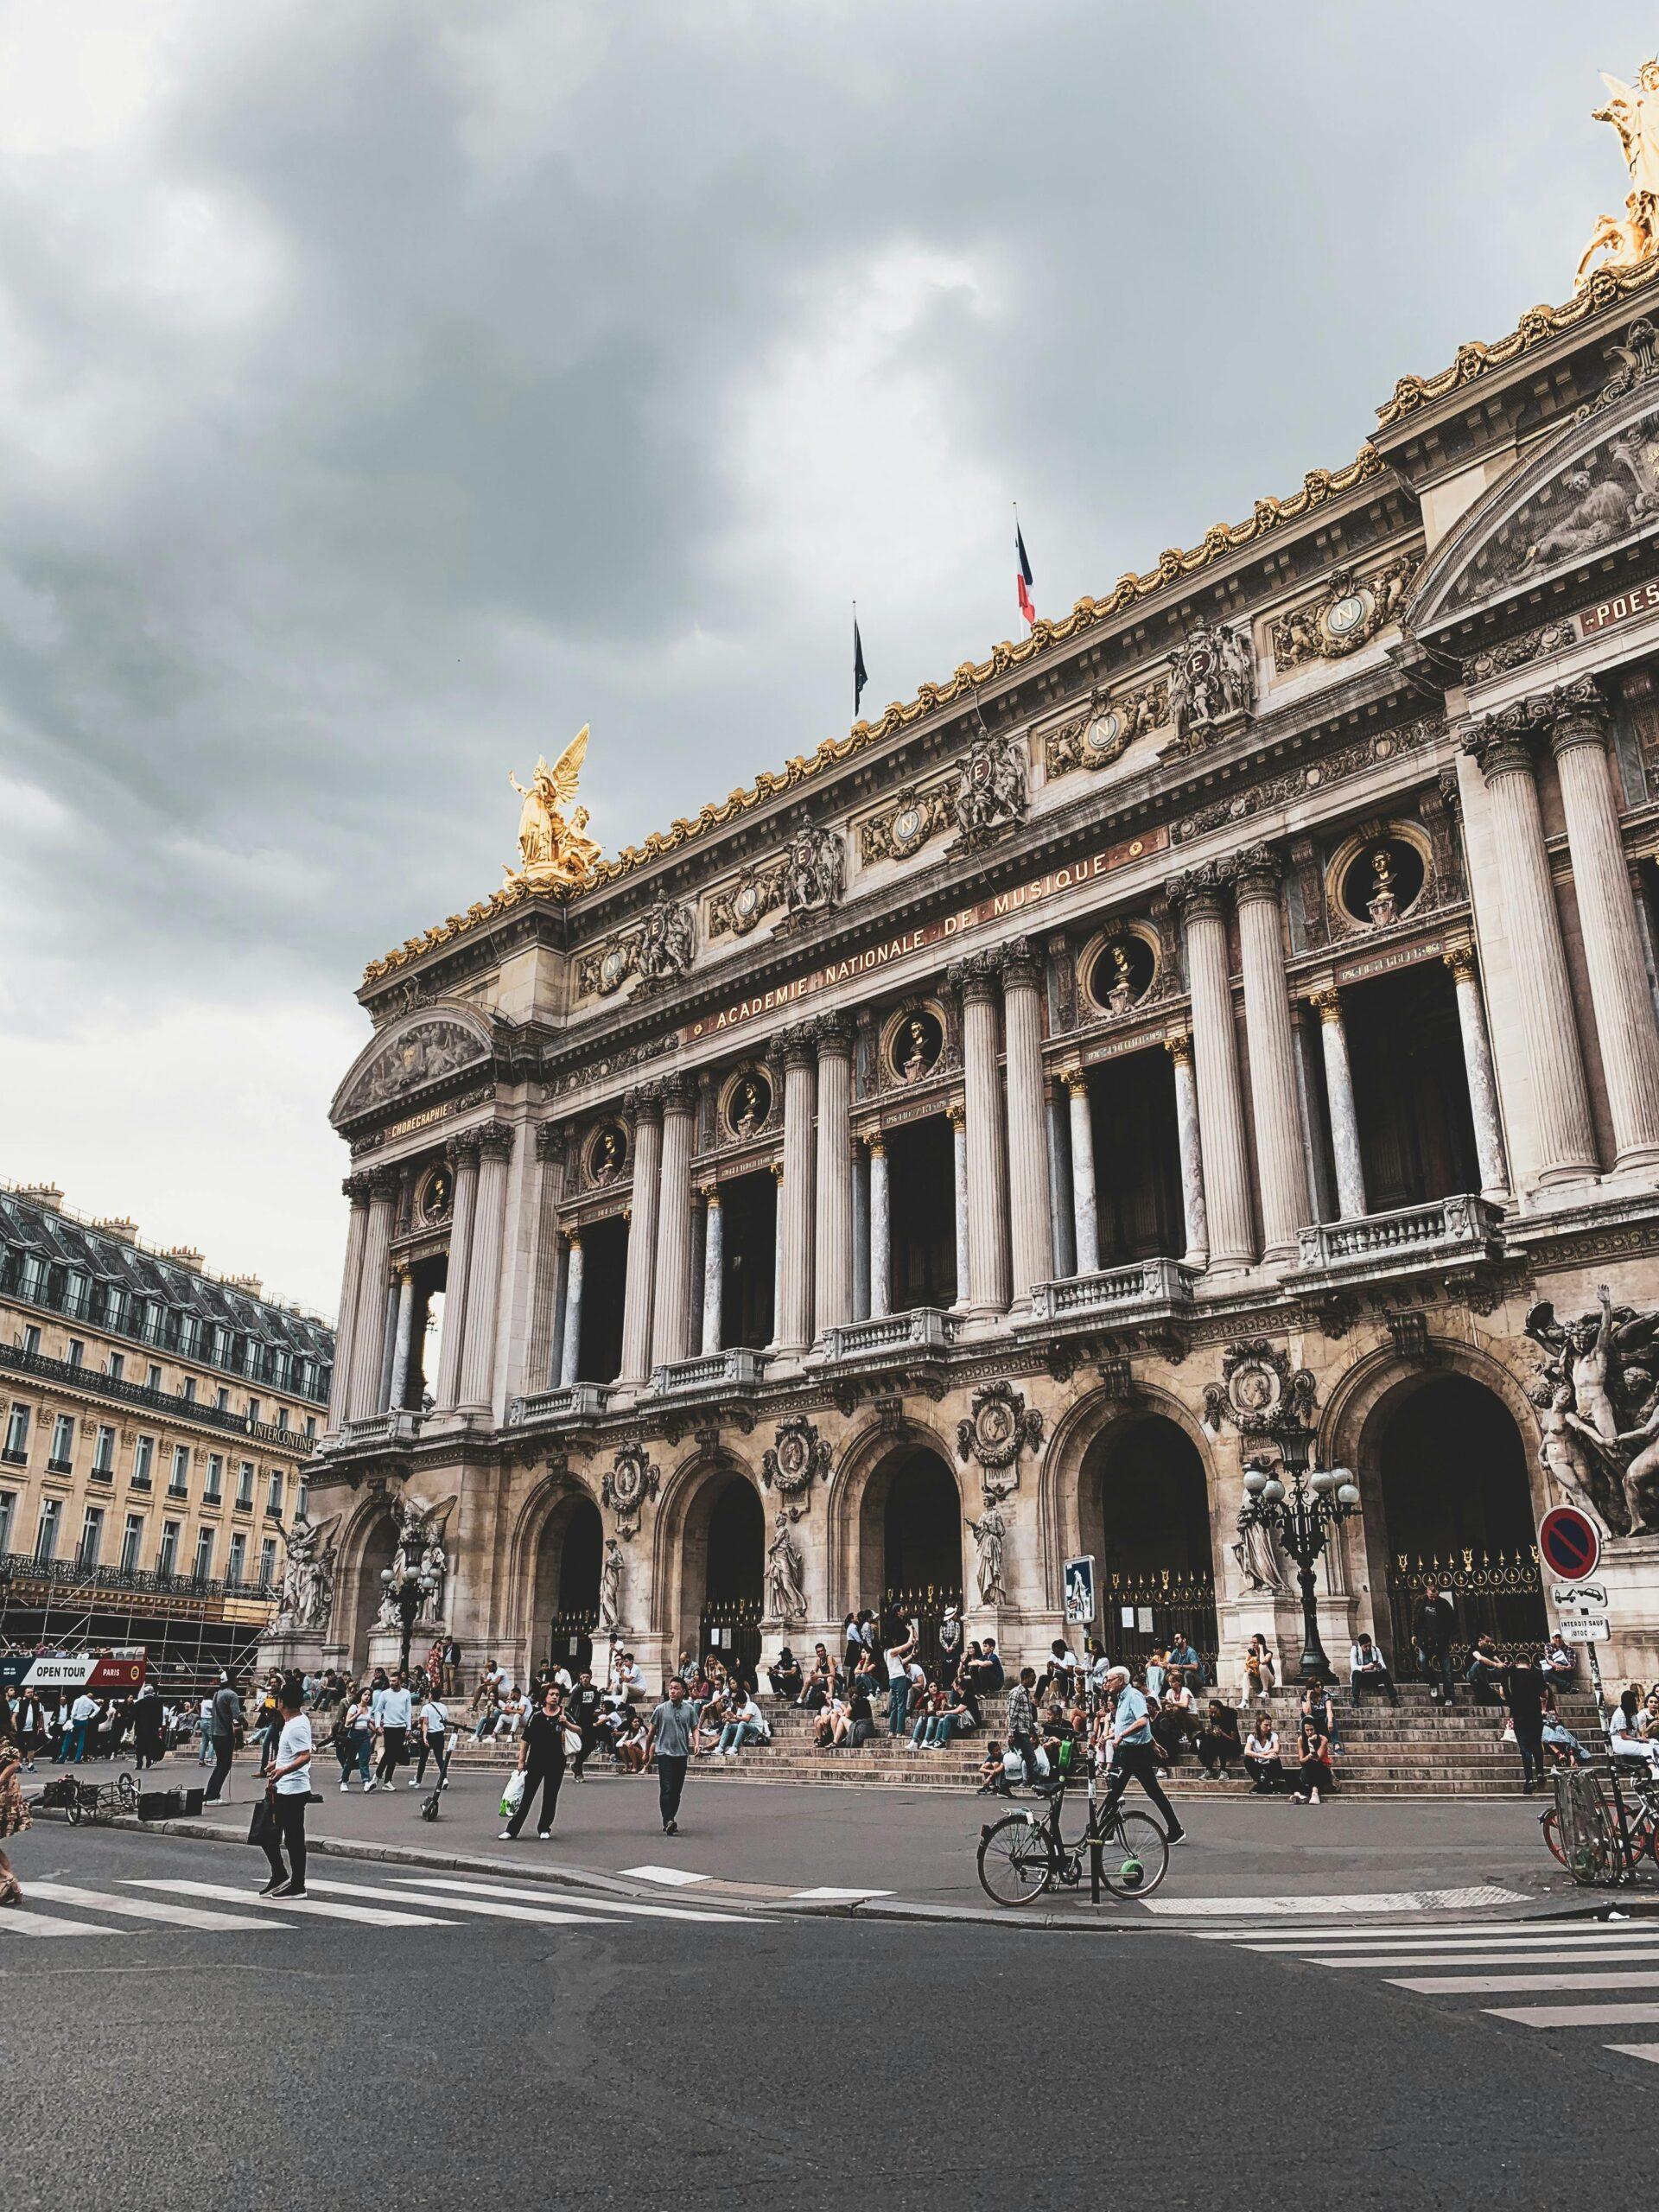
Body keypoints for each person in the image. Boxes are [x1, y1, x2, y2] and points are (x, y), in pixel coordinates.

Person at [1096, 1665, 1185, 1844]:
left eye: (1110, 1680)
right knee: (1116, 1791)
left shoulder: (1133, 1696)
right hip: (1126, 1751)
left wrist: (1122, 1735)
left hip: (1134, 1753)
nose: (1107, 1683)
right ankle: (1106, 1831)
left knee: (1146, 1791)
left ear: (1121, 1680)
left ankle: (1175, 1829)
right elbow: (1137, 1724)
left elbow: (1143, 1721)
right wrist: (1153, 1743)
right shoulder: (1122, 1698)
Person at [257, 1680, 313, 1900]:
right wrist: (277, 1764)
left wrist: (283, 1770)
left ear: (281, 1702)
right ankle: (280, 1875)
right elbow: (295, 1753)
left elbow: (305, 1755)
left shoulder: (296, 1726)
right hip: (285, 1787)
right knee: (269, 1834)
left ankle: (297, 1883)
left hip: (292, 1789)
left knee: (289, 1837)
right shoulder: (294, 1722)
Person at [500, 1685, 567, 1841]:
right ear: (545, 1697)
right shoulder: (536, 1715)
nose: (555, 1697)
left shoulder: (564, 1714)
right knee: (527, 1795)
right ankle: (512, 1830)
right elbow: (525, 1739)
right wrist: (521, 1761)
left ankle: (544, 1828)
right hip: (536, 1760)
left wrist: (567, 1724)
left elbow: (579, 1731)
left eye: (557, 1694)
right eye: (552, 1694)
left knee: (550, 1796)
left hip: (556, 1761)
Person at [647, 1677, 696, 1836]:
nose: (673, 1691)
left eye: (676, 1688)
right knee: (667, 1788)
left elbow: (695, 1727)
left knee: (676, 1790)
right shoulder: (661, 1709)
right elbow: (651, 1732)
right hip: (664, 1753)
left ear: (683, 1691)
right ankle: (667, 1820)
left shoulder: (689, 1709)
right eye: (671, 1688)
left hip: (681, 1753)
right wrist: (647, 1751)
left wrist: (696, 1743)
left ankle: (671, 1817)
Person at [0, 1688, 31, 1905]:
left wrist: (1, 1778)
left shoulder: (4, 1737)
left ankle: (6, 1879)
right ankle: (12, 1886)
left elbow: (15, 1761)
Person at [1503, 1651, 1548, 1795]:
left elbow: (1503, 1691)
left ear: (1517, 1663)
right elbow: (1545, 1694)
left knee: (1525, 1748)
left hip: (1519, 1715)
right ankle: (1540, 1772)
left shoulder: (1511, 1674)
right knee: (1536, 1744)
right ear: (1529, 1664)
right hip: (1535, 1715)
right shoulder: (1536, 1674)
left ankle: (1529, 1780)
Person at [1414, 1580, 1457, 1705]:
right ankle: (1433, 1683)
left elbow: (1452, 1621)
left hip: (1441, 1641)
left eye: (1435, 1596)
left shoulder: (1443, 1603)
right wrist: (1414, 1634)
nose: (1433, 1599)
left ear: (1438, 1594)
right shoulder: (1421, 1601)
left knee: (1446, 1671)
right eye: (1431, 1596)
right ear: (1427, 1592)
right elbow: (1416, 1619)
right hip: (1425, 1640)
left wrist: (1450, 1638)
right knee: (1423, 1663)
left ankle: (1449, 1697)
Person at [204, 1675, 242, 1803]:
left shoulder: (217, 1694)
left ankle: (210, 1794)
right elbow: (237, 1715)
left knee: (220, 1765)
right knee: (224, 1765)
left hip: (216, 1733)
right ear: (231, 1681)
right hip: (225, 1733)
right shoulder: (232, 1695)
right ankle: (212, 1796)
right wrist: (244, 1722)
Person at [372, 1670, 413, 1791]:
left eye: (394, 1681)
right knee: (389, 1752)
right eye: (390, 1681)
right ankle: (377, 1776)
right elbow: (378, 1710)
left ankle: (387, 1781)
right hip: (389, 1726)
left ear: (400, 1681)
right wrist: (378, 1725)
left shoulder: (406, 1693)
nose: (391, 1683)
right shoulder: (384, 1694)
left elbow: (408, 1711)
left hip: (401, 1726)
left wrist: (409, 1727)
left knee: (394, 1754)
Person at [1609, 1686, 1659, 1777]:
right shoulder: (1620, 1714)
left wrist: (1641, 1738)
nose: (1637, 1702)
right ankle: (1653, 1770)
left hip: (1631, 1739)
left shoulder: (1632, 1713)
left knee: (1654, 1743)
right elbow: (1624, 1736)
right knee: (1646, 1747)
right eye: (1635, 1700)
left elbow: (1636, 1731)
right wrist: (1638, 1740)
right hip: (1620, 1742)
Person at [1006, 1667, 1041, 1784]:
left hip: (1025, 1730)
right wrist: (1011, 1734)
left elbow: (1027, 1715)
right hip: (1019, 1732)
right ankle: (1036, 1783)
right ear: (1025, 1678)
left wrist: (1033, 1731)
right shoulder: (1016, 1692)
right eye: (1032, 1678)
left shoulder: (1026, 1693)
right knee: (1030, 1757)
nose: (1034, 1681)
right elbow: (1012, 1714)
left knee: (1024, 1757)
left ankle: (1029, 1781)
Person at [1290, 1713, 1334, 1806]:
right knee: (1294, 1773)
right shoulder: (1301, 1740)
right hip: (1307, 1769)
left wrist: (1310, 1742)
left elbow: (1317, 1758)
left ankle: (1314, 1793)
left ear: (1315, 1729)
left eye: (1311, 1729)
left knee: (1314, 1765)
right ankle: (1298, 1795)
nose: (1310, 1732)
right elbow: (1301, 1760)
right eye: (1307, 1730)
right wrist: (1308, 1756)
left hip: (1322, 1768)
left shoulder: (1323, 1739)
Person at [568, 1669, 605, 1778]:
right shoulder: (577, 1690)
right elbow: (568, 1706)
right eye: (583, 1677)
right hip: (579, 1722)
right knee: (581, 1745)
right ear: (580, 1679)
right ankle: (578, 1772)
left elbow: (597, 1703)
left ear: (591, 1678)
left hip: (591, 1721)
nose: (585, 1679)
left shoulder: (595, 1690)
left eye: (587, 1677)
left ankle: (576, 1765)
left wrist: (598, 1710)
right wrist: (572, 1721)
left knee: (592, 1744)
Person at [884, 1621, 918, 1738]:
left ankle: (892, 1731)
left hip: (892, 1679)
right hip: (898, 1679)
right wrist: (911, 1630)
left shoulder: (887, 1653)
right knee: (901, 1705)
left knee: (894, 1706)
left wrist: (912, 1655)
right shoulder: (892, 1652)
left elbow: (901, 1662)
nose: (895, 1642)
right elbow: (908, 1644)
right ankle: (900, 1732)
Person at [337, 1687, 374, 1789]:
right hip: (354, 1734)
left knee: (364, 1759)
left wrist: (377, 1729)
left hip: (365, 1734)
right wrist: (358, 1714)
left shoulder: (369, 1709)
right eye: (365, 1694)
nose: (367, 1697)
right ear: (361, 1695)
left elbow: (367, 1722)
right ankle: (344, 1781)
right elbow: (347, 1722)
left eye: (369, 1695)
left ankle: (366, 1782)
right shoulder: (354, 1707)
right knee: (350, 1759)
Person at [1195, 1698, 1243, 1777]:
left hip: (1233, 1746)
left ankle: (1223, 1771)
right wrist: (1211, 1731)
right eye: (1211, 1712)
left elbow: (1233, 1739)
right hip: (1219, 1744)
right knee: (1207, 1737)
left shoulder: (1230, 1717)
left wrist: (1222, 1733)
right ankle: (1208, 1770)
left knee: (1221, 1739)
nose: (1213, 1714)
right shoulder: (1213, 1717)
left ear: (1220, 1709)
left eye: (1215, 1712)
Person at [414, 1687, 450, 1789]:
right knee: (439, 1758)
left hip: (429, 1733)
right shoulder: (444, 1707)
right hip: (439, 1734)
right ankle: (444, 1778)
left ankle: (418, 1780)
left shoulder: (427, 1707)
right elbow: (446, 1721)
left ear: (431, 1695)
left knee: (423, 1758)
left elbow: (425, 1723)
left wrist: (424, 1737)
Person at [1348, 1633, 1398, 1705]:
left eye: (1369, 1645)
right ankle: (1355, 1700)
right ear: (1360, 1645)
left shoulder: (1376, 1650)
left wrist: (1379, 1666)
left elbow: (1384, 1666)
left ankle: (1393, 1699)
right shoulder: (1355, 1649)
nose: (1368, 1648)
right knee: (1356, 1673)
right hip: (1362, 1678)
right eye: (1365, 1646)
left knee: (1385, 1672)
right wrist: (1365, 1667)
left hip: (1373, 1676)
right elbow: (1354, 1667)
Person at [717, 1688, 769, 1757]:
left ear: (738, 1702)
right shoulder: (740, 1708)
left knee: (742, 1724)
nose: (733, 1703)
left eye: (734, 1701)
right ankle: (720, 1748)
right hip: (747, 1729)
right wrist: (728, 1720)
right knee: (729, 1725)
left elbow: (747, 1719)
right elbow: (736, 1720)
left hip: (756, 1730)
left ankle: (734, 1748)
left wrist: (734, 1716)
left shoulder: (751, 1705)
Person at [1243, 1713, 1284, 1794]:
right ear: (1259, 1724)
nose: (1269, 1728)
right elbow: (1246, 1751)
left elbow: (1276, 1749)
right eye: (1266, 1725)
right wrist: (1264, 1756)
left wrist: (1263, 1754)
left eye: (1270, 1725)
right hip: (1258, 1765)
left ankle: (1268, 1782)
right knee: (1247, 1758)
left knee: (1274, 1757)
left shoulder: (1273, 1735)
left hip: (1270, 1765)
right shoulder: (1252, 1737)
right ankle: (1262, 1783)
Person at [56, 1687, 99, 1765]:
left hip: (76, 1720)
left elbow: (73, 1711)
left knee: (68, 1740)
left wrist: (71, 1720)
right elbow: (98, 1709)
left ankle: (62, 1758)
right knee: (81, 1740)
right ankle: (78, 1758)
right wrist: (91, 1716)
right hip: (84, 1721)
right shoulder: (90, 1702)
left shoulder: (78, 1700)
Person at [1465, 1635, 1507, 1708]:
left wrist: (1503, 1665)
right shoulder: (1474, 1648)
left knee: (1503, 1668)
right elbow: (1480, 1658)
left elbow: (1496, 1659)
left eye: (1490, 1642)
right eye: (1487, 1641)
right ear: (1480, 1640)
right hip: (1471, 1675)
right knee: (1479, 1662)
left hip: (1482, 1675)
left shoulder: (1487, 1649)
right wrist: (1496, 1665)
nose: (1489, 1643)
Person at [132, 1684, 166, 1772]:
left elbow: (135, 1717)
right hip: (153, 1728)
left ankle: (139, 1763)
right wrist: (159, 1726)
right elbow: (160, 1715)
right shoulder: (158, 1702)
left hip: (141, 1728)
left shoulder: (139, 1703)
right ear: (152, 1692)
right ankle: (149, 1758)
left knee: (140, 1745)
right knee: (151, 1744)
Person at [1242, 1635, 1275, 1712]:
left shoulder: (1268, 1653)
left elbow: (1263, 1661)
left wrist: (1261, 1649)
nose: (1253, 1645)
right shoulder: (1250, 1652)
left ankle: (1265, 1691)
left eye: (1255, 1643)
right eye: (1252, 1642)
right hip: (1257, 1681)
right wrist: (1249, 1669)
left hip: (1269, 1681)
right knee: (1246, 1673)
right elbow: (1246, 1665)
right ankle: (1245, 1701)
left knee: (1262, 1666)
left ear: (1261, 1643)